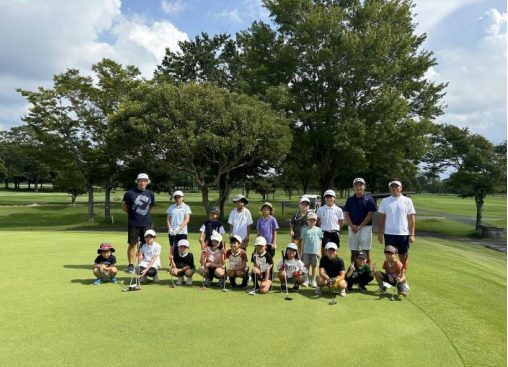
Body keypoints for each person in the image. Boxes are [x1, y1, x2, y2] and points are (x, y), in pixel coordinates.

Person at [377, 179, 416, 271]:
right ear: (389, 188)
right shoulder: (385, 201)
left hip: (403, 234)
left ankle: (403, 278)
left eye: (396, 186)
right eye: (392, 186)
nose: (394, 188)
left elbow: (411, 218)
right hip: (389, 233)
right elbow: (381, 219)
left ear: (401, 188)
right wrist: (379, 233)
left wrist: (412, 234)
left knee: (403, 256)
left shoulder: (407, 201)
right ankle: (389, 277)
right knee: (389, 256)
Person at [122, 173, 155, 273]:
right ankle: (131, 265)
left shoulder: (150, 194)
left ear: (147, 182)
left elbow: (151, 207)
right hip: (133, 223)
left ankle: (143, 264)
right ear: (137, 181)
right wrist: (133, 214)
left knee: (146, 245)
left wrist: (145, 217)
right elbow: (124, 207)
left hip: (146, 224)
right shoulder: (129, 193)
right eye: (141, 180)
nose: (143, 183)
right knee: (132, 244)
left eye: (145, 181)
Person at [343, 178, 377, 265]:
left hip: (366, 228)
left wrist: (360, 226)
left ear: (364, 187)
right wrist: (352, 225)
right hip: (353, 227)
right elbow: (346, 214)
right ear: (353, 187)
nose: (358, 187)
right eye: (356, 185)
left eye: (360, 185)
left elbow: (370, 215)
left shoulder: (369, 199)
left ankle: (367, 274)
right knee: (353, 252)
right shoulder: (350, 200)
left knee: (366, 252)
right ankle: (353, 273)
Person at [316, 189, 344, 256]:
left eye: (331, 197)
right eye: (327, 197)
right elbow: (317, 221)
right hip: (324, 233)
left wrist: (337, 230)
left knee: (334, 252)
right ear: (325, 198)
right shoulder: (320, 209)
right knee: (324, 251)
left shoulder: (338, 210)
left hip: (335, 233)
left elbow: (341, 222)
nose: (329, 199)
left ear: (334, 198)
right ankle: (324, 266)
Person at [166, 190, 192, 261]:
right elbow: (168, 219)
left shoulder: (186, 207)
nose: (178, 199)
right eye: (176, 197)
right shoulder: (171, 207)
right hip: (172, 232)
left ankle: (182, 263)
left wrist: (179, 228)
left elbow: (187, 219)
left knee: (182, 247)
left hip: (182, 232)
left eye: (179, 197)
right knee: (173, 247)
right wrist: (170, 229)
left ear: (183, 197)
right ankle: (173, 264)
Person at [300, 211, 322, 288]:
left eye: (314, 220)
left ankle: (313, 280)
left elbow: (320, 241)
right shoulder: (304, 230)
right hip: (306, 251)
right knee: (306, 266)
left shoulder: (319, 230)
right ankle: (306, 280)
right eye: (310, 220)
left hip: (315, 251)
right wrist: (302, 251)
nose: (312, 222)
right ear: (307, 221)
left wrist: (319, 251)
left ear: (316, 221)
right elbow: (302, 241)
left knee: (314, 266)